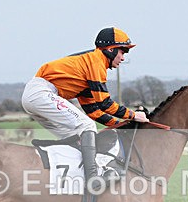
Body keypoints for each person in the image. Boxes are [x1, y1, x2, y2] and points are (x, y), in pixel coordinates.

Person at [22, 27, 149, 191]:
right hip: (41, 93)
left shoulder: (89, 67)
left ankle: (74, 179)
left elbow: (94, 111)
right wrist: (133, 116)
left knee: (79, 137)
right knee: (87, 127)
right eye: (122, 52)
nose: (123, 58)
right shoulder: (96, 62)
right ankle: (93, 179)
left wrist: (120, 124)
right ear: (110, 49)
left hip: (37, 96)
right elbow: (105, 103)